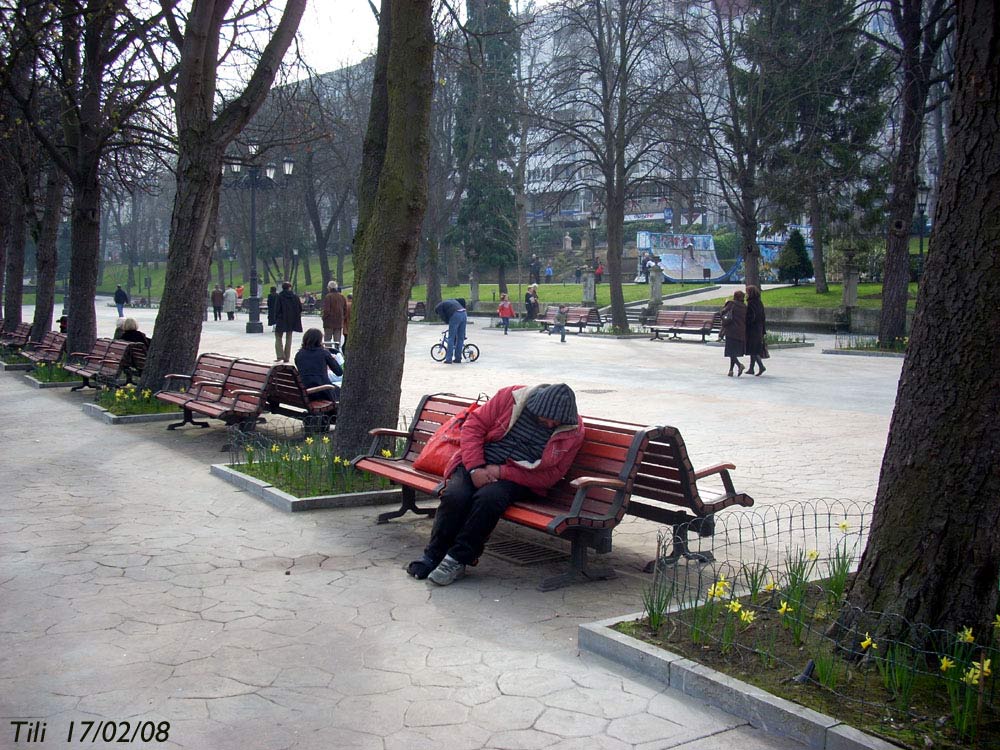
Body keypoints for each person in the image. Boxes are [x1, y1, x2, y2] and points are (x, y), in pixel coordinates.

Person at [407, 383, 586, 585]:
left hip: (518, 477)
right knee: (455, 496)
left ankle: (457, 559)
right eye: (548, 418)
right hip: (477, 461)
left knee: (489, 499)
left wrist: (500, 471)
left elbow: (553, 475)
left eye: (557, 421)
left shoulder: (573, 430)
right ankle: (433, 555)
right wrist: (475, 468)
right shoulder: (510, 397)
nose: (552, 424)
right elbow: (473, 427)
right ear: (536, 407)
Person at [294, 328, 343, 400]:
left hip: (305, 391)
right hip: (323, 390)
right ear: (319, 341)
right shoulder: (324, 353)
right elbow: (339, 372)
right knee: (341, 392)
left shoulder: (299, 354)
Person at [272, 281, 303, 363]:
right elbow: (300, 308)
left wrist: (276, 318)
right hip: (291, 320)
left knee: (278, 337)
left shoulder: (280, 296)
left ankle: (280, 355)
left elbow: (277, 309)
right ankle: (287, 357)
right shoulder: (295, 297)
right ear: (290, 287)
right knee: (289, 338)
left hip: (281, 319)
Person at [720, 290, 747, 377]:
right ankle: (731, 370)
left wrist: (725, 304)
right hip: (741, 331)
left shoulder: (731, 304)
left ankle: (739, 365)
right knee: (734, 352)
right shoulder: (744, 306)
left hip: (731, 330)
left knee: (730, 351)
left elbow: (722, 313)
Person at [434, 297, 468, 364]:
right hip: (464, 314)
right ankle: (458, 358)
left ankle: (448, 359)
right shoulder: (449, 301)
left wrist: (447, 322)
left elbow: (443, 316)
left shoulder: (439, 308)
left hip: (455, 315)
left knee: (451, 338)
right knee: (460, 338)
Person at [745, 284, 767, 376]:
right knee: (753, 348)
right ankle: (751, 368)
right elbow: (763, 316)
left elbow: (751, 317)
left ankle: (761, 366)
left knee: (753, 349)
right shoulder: (759, 302)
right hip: (759, 328)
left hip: (752, 329)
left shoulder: (751, 303)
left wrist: (746, 322)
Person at [321, 281, 347, 349]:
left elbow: (326, 310)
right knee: (337, 341)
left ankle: (328, 353)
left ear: (329, 288)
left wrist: (324, 317)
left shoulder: (328, 296)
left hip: (329, 322)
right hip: (338, 322)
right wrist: (342, 317)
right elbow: (345, 309)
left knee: (327, 340)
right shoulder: (342, 296)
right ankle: (337, 353)